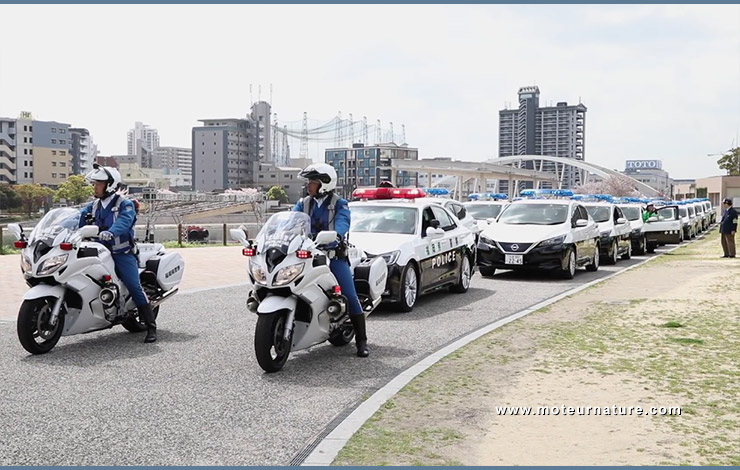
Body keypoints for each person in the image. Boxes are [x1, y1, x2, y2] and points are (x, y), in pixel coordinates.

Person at [293, 163, 369, 357]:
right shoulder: (303, 203)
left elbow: (343, 222)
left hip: (333, 255)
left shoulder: (339, 203)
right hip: (309, 254)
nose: (308, 186)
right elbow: (291, 221)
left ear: (324, 184)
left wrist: (336, 236)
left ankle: (362, 341)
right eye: (309, 182)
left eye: (312, 182)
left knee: (349, 294)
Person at [79, 164, 157, 343]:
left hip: (122, 253)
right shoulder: (93, 206)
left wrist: (112, 232)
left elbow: (125, 221)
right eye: (95, 183)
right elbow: (76, 220)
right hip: (98, 252)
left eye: (98, 183)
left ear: (110, 185)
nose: (95, 187)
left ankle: (151, 327)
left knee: (133, 284)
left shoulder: (125, 204)